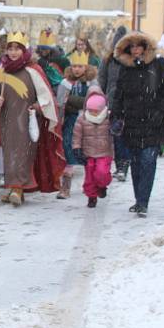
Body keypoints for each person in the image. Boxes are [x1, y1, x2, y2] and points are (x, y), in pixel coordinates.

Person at [110, 31, 164, 217]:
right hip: (131, 122)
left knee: (148, 160)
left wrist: (161, 110)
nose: (136, 50)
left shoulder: (159, 65)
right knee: (136, 162)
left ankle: (143, 202)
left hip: (154, 122)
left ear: (146, 47)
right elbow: (119, 94)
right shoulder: (126, 69)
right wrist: (116, 114)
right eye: (131, 46)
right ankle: (138, 199)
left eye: (139, 45)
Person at [0, 31, 65, 206]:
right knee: (10, 154)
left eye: (17, 49)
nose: (13, 52)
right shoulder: (3, 70)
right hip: (8, 119)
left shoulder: (33, 70)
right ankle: (14, 187)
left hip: (26, 119)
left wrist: (38, 106)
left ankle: (18, 187)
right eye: (10, 49)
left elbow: (46, 95)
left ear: (24, 50)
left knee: (23, 153)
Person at [54, 50, 99, 199]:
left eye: (80, 66)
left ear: (86, 67)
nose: (77, 69)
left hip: (89, 121)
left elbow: (94, 102)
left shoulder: (92, 82)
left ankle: (90, 185)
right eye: (74, 66)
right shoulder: (66, 83)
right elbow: (61, 103)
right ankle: (65, 187)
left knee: (88, 153)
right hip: (71, 121)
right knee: (69, 150)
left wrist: (73, 101)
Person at [98, 25, 130, 181]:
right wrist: (101, 98)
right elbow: (102, 79)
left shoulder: (131, 60)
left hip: (129, 102)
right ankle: (120, 165)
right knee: (116, 134)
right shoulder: (108, 60)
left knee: (124, 135)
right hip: (112, 102)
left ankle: (124, 164)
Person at [71, 92, 113, 208]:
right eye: (90, 110)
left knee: (102, 172)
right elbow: (77, 135)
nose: (93, 113)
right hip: (88, 153)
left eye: (96, 111)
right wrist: (76, 148)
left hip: (104, 152)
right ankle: (91, 197)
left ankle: (102, 185)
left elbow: (115, 133)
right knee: (89, 177)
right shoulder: (82, 119)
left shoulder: (108, 118)